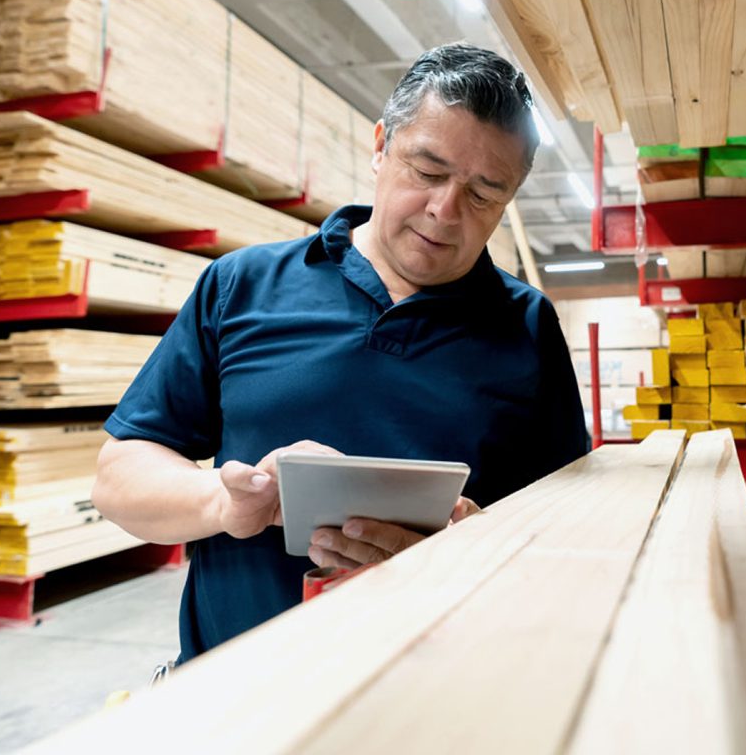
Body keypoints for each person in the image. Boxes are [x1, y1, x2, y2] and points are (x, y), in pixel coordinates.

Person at [93, 43, 590, 662]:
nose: (445, 210)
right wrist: (224, 503)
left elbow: (571, 534)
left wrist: (471, 547)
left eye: (484, 193)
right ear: (381, 145)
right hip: (234, 692)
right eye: (427, 171)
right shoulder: (242, 285)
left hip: (434, 689)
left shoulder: (527, 325)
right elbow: (118, 475)